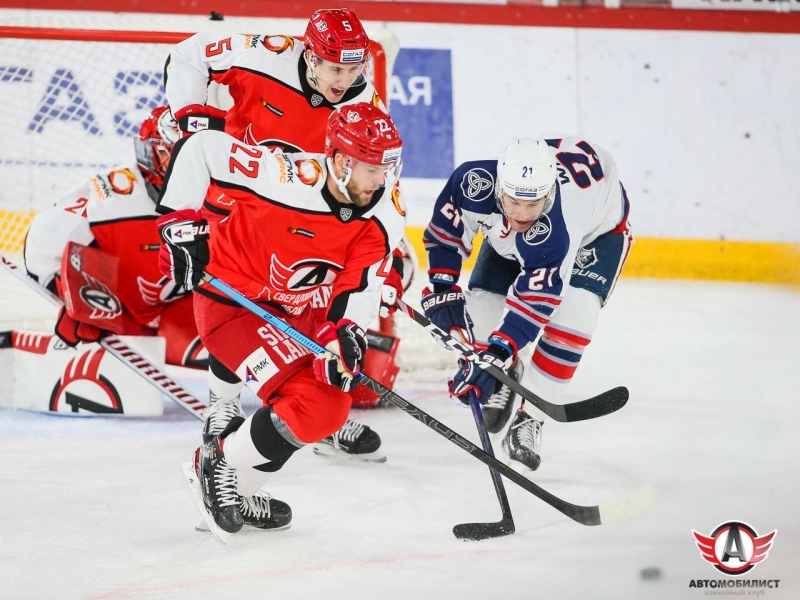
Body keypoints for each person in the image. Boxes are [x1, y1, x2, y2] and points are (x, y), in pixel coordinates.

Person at [164, 8, 408, 458]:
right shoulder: (265, 55)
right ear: (310, 56)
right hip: (236, 189)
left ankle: (310, 412)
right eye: (335, 68)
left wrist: (386, 253)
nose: (346, 79)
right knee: (242, 288)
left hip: (298, 207)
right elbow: (189, 55)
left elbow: (377, 182)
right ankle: (223, 403)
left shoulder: (364, 106)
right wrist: (189, 117)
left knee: (311, 291)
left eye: (355, 68)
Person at [156, 102, 405, 533]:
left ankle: (236, 483)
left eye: (387, 169)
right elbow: (201, 147)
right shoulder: (282, 177)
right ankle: (218, 462)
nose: (381, 180)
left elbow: (359, 283)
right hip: (232, 303)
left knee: (328, 405)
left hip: (298, 313)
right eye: (371, 169)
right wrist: (178, 225)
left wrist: (345, 333)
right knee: (312, 404)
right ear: (340, 161)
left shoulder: (386, 210)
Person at [422, 137, 632, 471]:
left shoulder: (561, 225)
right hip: (529, 232)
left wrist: (497, 353)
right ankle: (510, 372)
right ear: (499, 188)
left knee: (575, 317)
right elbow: (446, 236)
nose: (521, 213)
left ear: (548, 195)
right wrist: (442, 287)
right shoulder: (473, 183)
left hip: (598, 233)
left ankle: (529, 418)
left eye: (532, 203)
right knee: (481, 316)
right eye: (514, 201)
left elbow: (534, 304)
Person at [23, 106, 206, 368]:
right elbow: (45, 236)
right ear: (150, 153)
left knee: (233, 352)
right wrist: (68, 292)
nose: (185, 170)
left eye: (195, 157)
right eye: (173, 155)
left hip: (183, 308)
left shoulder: (229, 192)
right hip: (122, 316)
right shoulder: (114, 198)